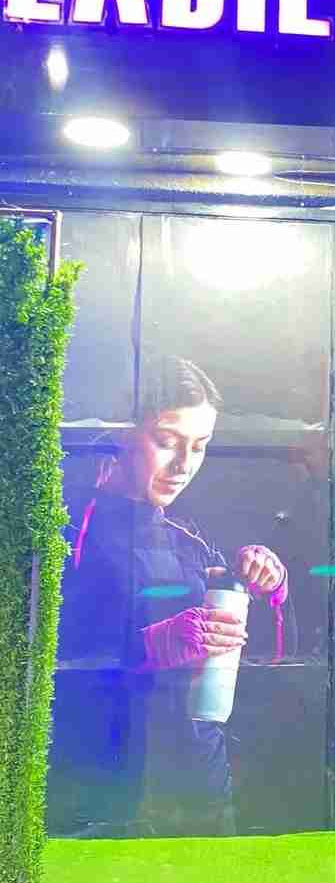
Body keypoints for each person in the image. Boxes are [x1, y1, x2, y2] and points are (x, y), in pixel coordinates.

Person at [51, 356, 290, 838]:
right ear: (123, 431)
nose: (184, 465)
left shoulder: (191, 536)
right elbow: (39, 662)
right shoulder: (68, 529)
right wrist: (147, 647)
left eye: (200, 447)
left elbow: (269, 657)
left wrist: (266, 584)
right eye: (167, 441)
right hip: (107, 787)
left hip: (199, 788)